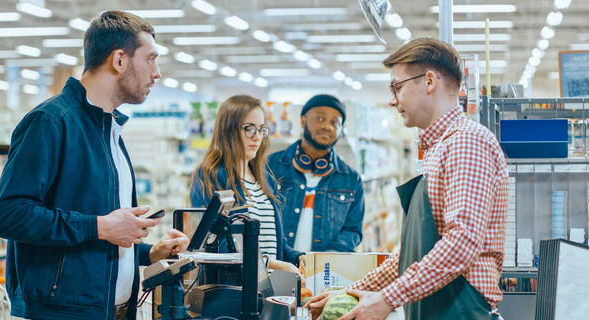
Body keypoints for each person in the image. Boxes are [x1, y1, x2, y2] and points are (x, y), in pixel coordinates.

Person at [0, 11, 189, 320]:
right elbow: (7, 215)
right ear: (119, 60)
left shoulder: (109, 131)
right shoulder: (52, 121)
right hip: (58, 312)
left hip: (111, 310)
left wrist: (149, 253)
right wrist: (101, 225)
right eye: (150, 59)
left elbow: (95, 240)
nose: (157, 73)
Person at [305, 38, 509, 320]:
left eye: (397, 87)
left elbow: (462, 243)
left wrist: (387, 299)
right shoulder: (439, 149)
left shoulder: (467, 143)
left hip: (462, 312)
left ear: (428, 82)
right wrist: (351, 293)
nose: (392, 99)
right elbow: (414, 252)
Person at [189, 94, 304, 275]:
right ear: (227, 130)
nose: (257, 137)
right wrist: (271, 264)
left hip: (269, 290)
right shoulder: (210, 176)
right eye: (249, 129)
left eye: (261, 129)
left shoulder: (266, 179)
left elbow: (275, 241)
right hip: (234, 291)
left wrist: (298, 258)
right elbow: (212, 245)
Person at [267, 94, 365, 253]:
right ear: (303, 121)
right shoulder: (270, 167)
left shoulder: (351, 179)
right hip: (276, 266)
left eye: (335, 123)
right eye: (320, 119)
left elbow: (353, 230)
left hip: (324, 271)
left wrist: (331, 256)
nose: (328, 126)